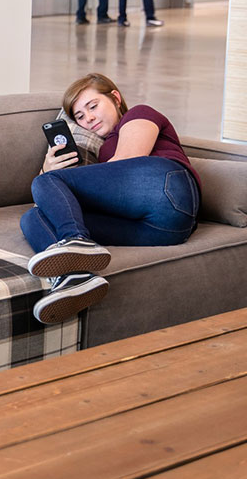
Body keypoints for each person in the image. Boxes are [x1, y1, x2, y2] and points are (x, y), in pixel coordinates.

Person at [22, 72, 200, 324]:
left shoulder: (139, 113)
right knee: (34, 218)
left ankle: (76, 241)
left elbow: (128, 161)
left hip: (168, 186)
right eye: (80, 117)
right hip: (166, 230)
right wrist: (49, 168)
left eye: (93, 106)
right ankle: (73, 278)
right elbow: (47, 205)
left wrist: (50, 179)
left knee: (46, 182)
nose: (89, 118)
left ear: (115, 98)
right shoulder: (103, 148)